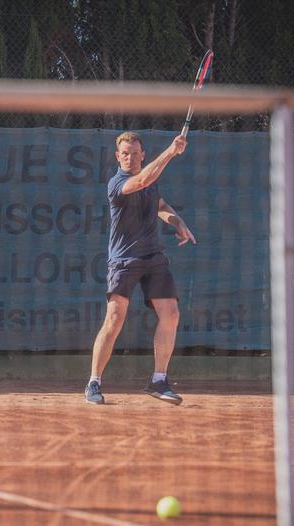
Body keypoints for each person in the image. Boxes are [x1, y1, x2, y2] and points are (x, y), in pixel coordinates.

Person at [85, 131, 195, 406]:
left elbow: (159, 203)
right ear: (117, 156)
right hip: (124, 260)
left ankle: (159, 380)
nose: (130, 157)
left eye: (135, 153)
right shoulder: (117, 183)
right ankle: (93, 383)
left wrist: (177, 221)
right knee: (115, 318)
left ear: (142, 155)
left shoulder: (150, 181)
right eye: (125, 153)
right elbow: (144, 179)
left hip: (153, 257)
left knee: (170, 313)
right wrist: (171, 151)